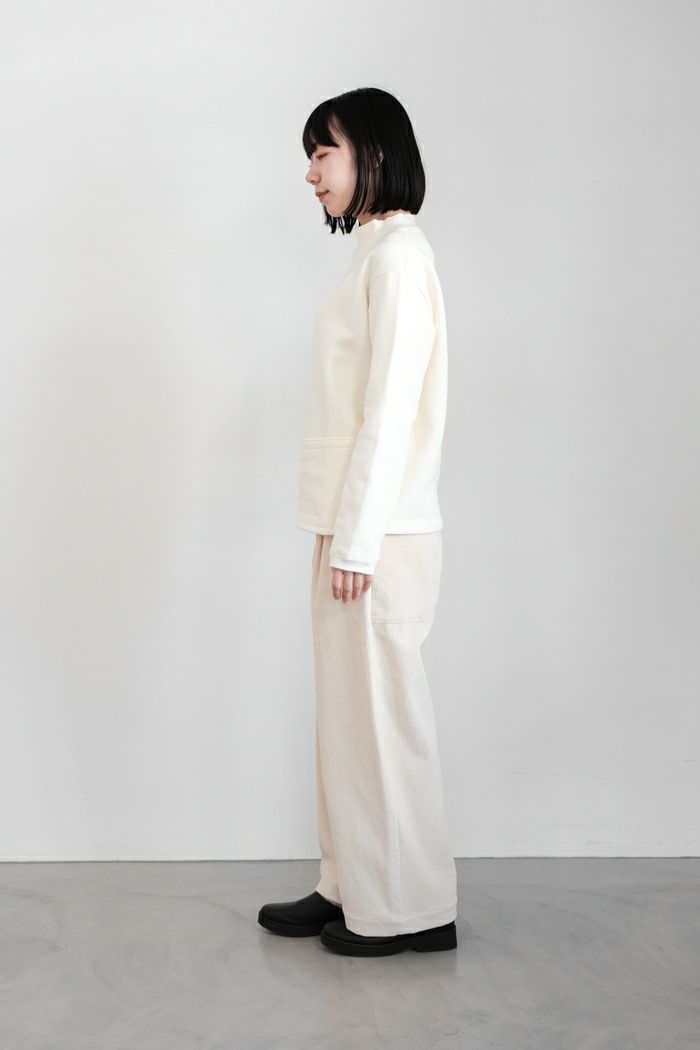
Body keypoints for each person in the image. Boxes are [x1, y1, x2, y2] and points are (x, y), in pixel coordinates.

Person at [258, 87, 458, 957]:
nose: (311, 174)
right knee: (348, 724)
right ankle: (349, 884)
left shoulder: (400, 259)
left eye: (322, 153)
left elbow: (390, 412)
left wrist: (359, 539)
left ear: (372, 153)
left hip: (379, 535)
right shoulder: (373, 256)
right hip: (348, 526)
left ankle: (412, 909)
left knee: (384, 725)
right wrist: (341, 533)